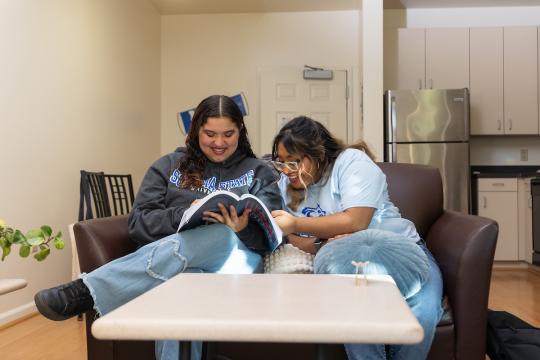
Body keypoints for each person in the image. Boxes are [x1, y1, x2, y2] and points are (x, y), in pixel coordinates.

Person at [34, 95, 282, 360]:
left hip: (237, 264)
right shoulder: (168, 166)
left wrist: (241, 229)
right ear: (195, 130)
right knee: (183, 288)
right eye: (210, 134)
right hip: (178, 269)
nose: (219, 143)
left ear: (240, 132)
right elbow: (139, 223)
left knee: (221, 235)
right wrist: (183, 215)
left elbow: (274, 232)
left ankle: (88, 290)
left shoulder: (259, 171)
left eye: (228, 134)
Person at [270, 116, 444, 360]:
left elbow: (356, 220)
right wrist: (321, 241)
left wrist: (298, 224)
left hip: (402, 250)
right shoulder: (285, 183)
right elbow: (295, 241)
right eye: (282, 162)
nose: (287, 170)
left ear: (318, 154)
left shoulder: (351, 162)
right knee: (356, 314)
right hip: (347, 262)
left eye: (295, 162)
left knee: (424, 311)